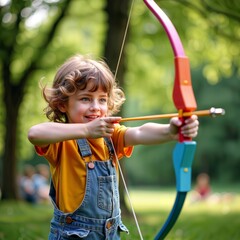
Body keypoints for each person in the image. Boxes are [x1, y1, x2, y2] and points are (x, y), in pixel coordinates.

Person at [28, 54, 199, 240]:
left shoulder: (111, 135)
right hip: (72, 235)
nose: (96, 107)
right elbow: (35, 134)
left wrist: (171, 131)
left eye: (102, 99)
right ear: (62, 104)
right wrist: (86, 129)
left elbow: (140, 132)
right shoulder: (61, 141)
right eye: (85, 99)